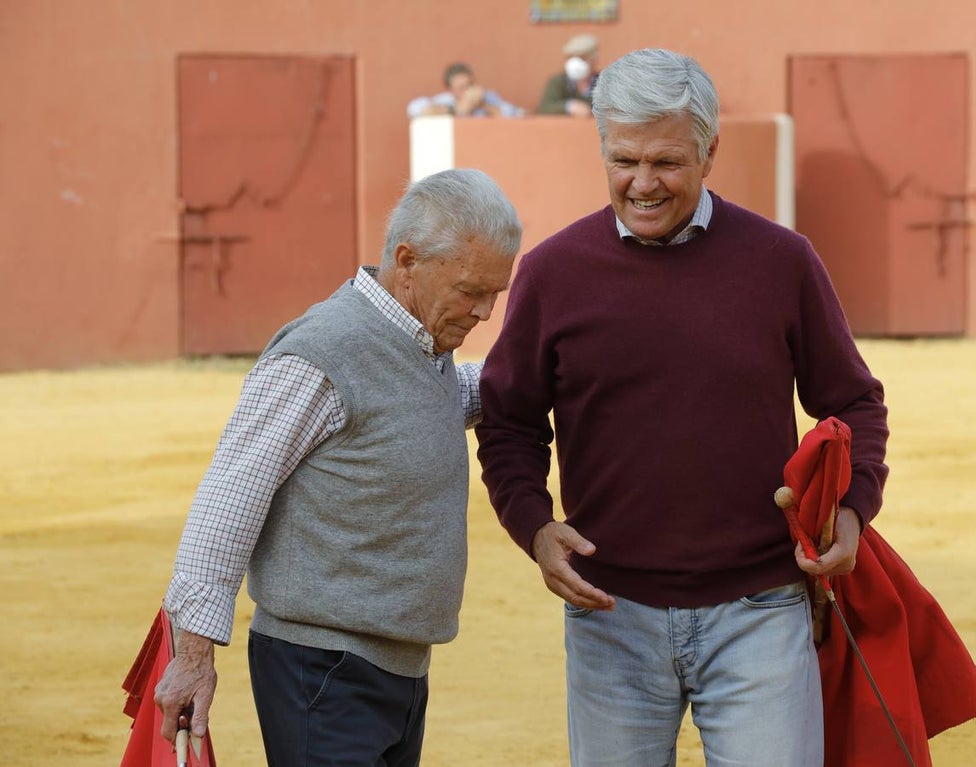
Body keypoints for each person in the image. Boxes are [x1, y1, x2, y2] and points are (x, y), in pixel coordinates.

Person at [476, 48, 889, 766]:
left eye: (665, 162)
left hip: (760, 608)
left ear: (710, 151)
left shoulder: (782, 261)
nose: (641, 183)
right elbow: (510, 420)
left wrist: (852, 509)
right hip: (610, 614)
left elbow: (853, 401)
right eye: (623, 160)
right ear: (602, 148)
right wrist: (535, 528)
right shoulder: (551, 273)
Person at [154, 168, 521, 766]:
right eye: (470, 291)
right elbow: (229, 496)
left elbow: (420, 411)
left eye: (494, 294)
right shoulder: (322, 351)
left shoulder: (420, 346)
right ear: (408, 262)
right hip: (322, 669)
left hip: (393, 667)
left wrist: (550, 376)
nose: (484, 312)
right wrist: (192, 654)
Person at [407, 61, 525, 118]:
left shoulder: (487, 97)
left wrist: (483, 105)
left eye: (469, 86)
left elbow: (514, 113)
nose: (467, 91)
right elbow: (414, 109)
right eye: (461, 88)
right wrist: (456, 110)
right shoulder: (445, 100)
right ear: (451, 89)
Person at [536, 33, 600, 116]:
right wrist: (569, 106)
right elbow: (544, 107)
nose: (576, 62)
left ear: (593, 59)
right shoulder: (558, 81)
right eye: (572, 57)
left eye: (582, 57)